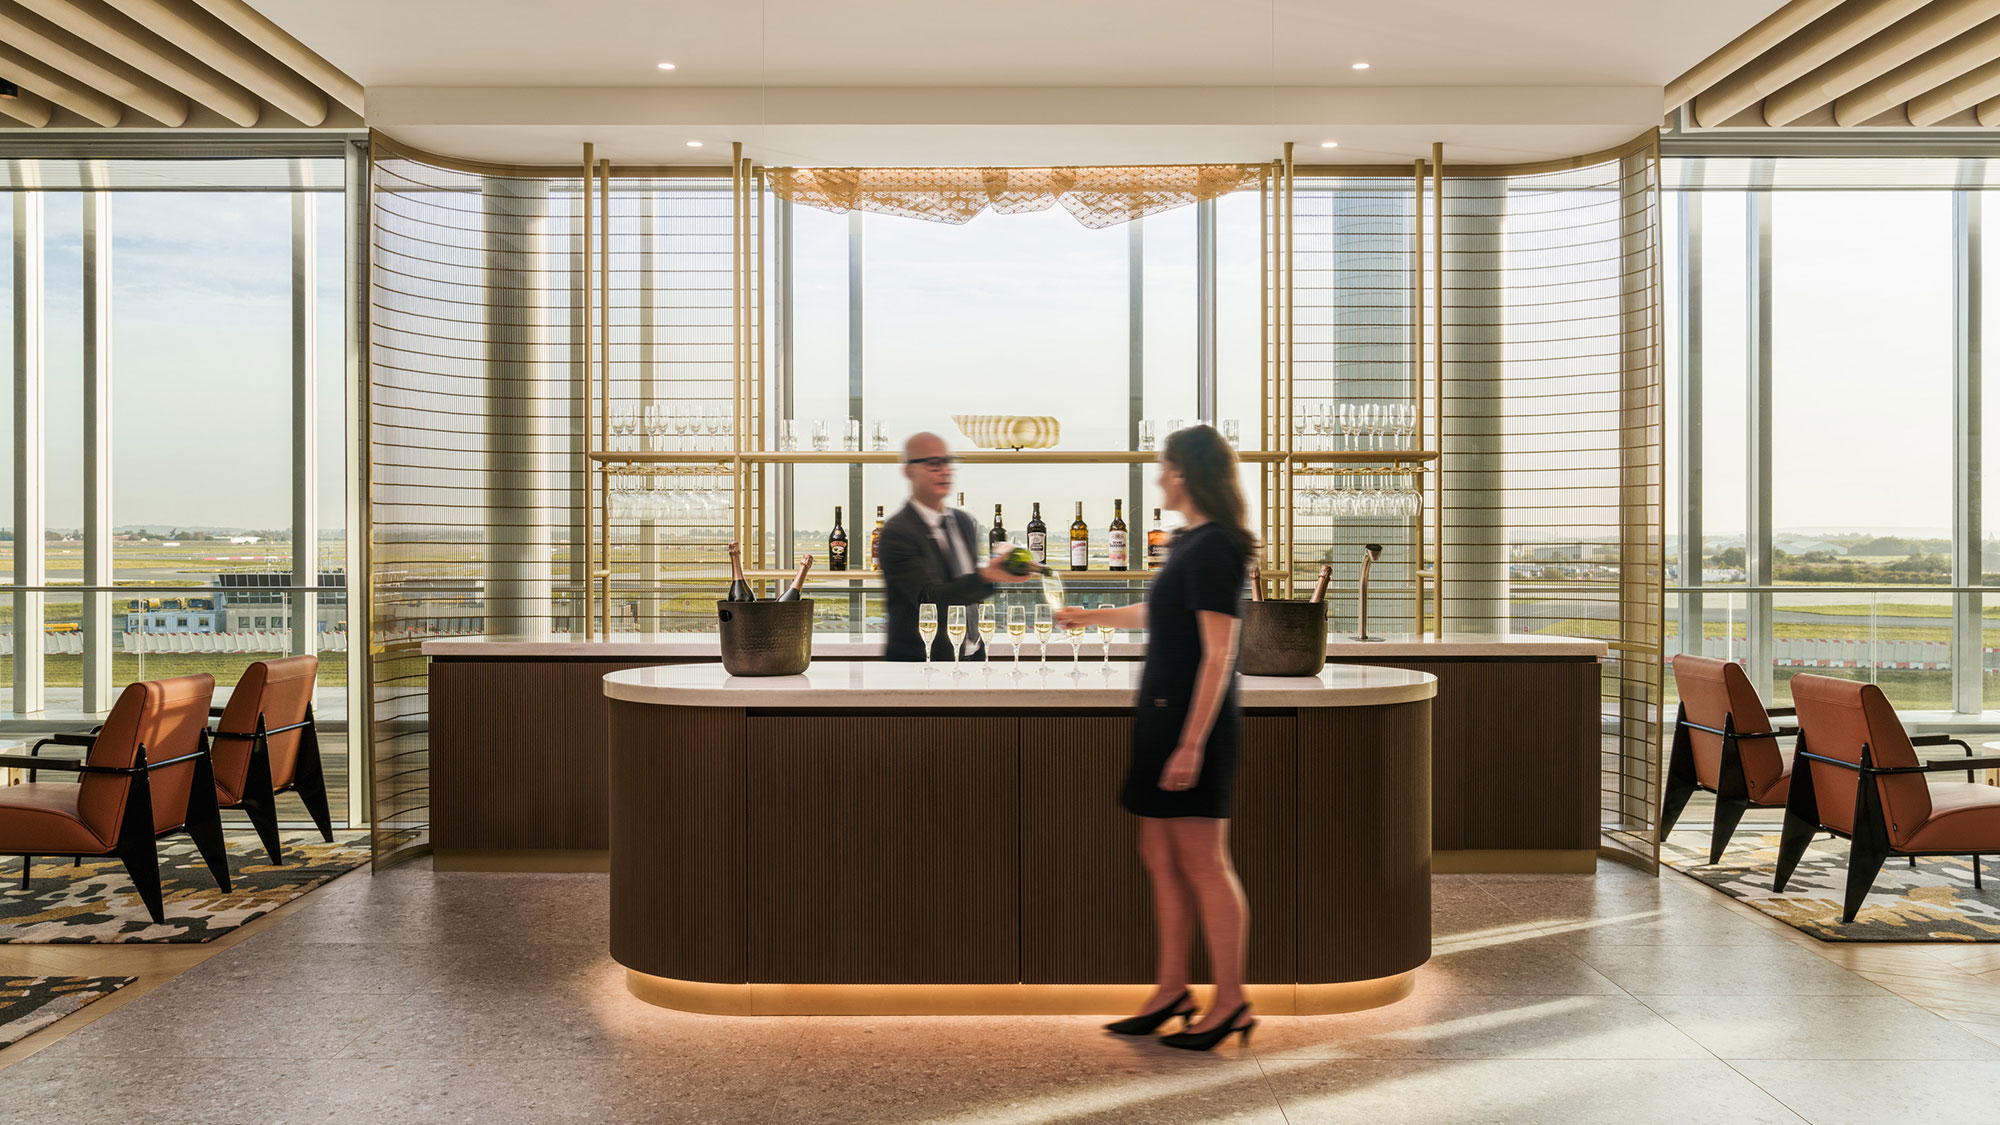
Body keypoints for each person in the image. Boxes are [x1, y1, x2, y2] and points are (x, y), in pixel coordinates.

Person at [1055, 424, 1256, 1052]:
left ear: (1188, 473)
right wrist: (1089, 614)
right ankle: (1172, 989)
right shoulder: (1189, 541)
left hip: (1192, 725)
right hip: (1162, 718)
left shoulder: (1219, 545)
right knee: (1159, 854)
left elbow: (1219, 653)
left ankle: (1231, 1002)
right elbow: (1158, 611)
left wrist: (1192, 744)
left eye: (1165, 467)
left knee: (1205, 862)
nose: (1158, 476)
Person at [878, 432, 1031, 662]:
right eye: (933, 464)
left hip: (973, 657)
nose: (945, 471)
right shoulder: (896, 532)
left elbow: (967, 589)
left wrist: (992, 575)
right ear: (909, 471)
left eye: (948, 462)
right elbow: (928, 599)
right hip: (921, 664)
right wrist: (987, 575)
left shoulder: (964, 522)